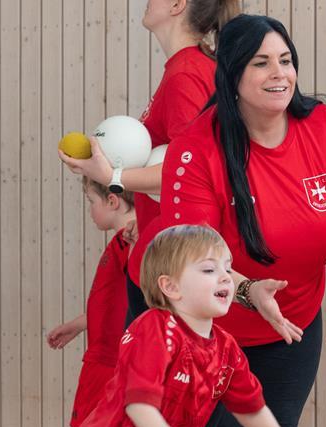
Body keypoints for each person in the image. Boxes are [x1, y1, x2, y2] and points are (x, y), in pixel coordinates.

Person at [159, 14, 326, 427]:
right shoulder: (196, 150)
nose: (279, 73)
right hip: (201, 333)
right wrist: (246, 289)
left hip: (290, 329)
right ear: (233, 75)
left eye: (285, 60)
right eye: (261, 63)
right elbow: (190, 259)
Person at [61, 225, 310, 427]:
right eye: (208, 270)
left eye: (228, 268)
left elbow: (251, 409)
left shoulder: (226, 349)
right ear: (170, 286)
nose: (226, 278)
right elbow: (139, 406)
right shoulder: (154, 330)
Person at [59, 0, 241, 322]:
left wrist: (111, 174)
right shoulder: (188, 69)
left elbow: (193, 171)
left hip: (171, 265)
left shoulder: (186, 74)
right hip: (168, 255)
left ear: (177, 5)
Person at [46, 177, 135, 427]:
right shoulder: (123, 242)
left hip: (111, 361)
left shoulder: (128, 242)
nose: (90, 210)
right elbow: (120, 301)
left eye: (91, 201)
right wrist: (79, 324)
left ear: (112, 201)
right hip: (105, 356)